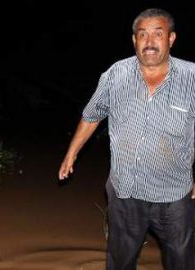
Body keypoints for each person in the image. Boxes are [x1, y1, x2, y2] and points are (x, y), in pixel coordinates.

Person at [58, 8, 195, 270]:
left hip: (174, 195)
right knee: (120, 262)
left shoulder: (192, 78)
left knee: (182, 262)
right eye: (142, 35)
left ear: (171, 39)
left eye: (158, 34)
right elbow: (92, 115)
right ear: (134, 41)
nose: (150, 42)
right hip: (125, 192)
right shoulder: (115, 75)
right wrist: (71, 153)